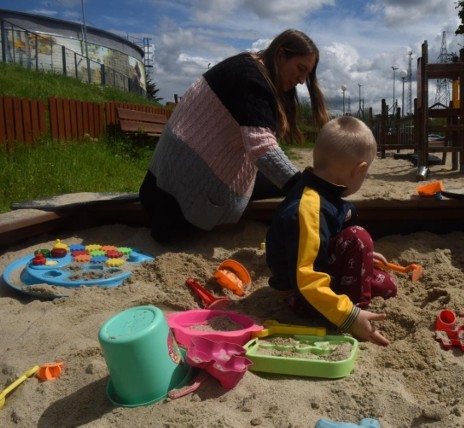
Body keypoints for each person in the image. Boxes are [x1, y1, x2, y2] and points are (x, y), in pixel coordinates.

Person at [139, 29, 329, 243]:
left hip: (163, 182)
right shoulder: (251, 79)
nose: (302, 80)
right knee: (293, 183)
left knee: (286, 180)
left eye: (307, 74)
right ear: (281, 55)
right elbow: (262, 147)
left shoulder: (248, 67)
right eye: (300, 69)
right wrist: (306, 189)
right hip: (180, 198)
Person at [265, 116, 398, 346]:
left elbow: (331, 233)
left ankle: (351, 302)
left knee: (387, 285)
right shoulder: (308, 209)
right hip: (302, 295)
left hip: (317, 275)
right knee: (359, 238)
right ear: (359, 170)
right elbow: (305, 279)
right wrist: (349, 316)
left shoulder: (326, 189)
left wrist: (361, 255)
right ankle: (357, 311)